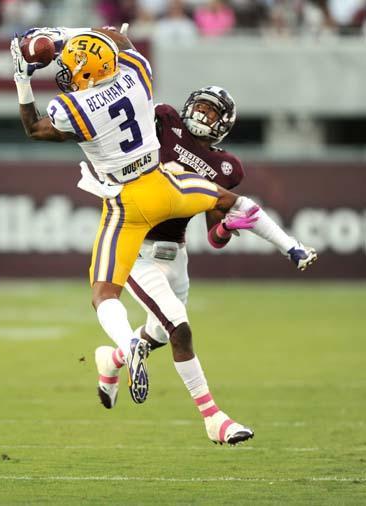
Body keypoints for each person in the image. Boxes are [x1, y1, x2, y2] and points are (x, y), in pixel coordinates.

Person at [10, 27, 317, 444]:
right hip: (160, 192)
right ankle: (214, 419)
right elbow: (118, 42)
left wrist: (26, 70)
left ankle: (118, 352)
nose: (69, 68)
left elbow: (36, 127)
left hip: (133, 209)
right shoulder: (138, 74)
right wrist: (85, 40)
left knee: (115, 300)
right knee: (179, 326)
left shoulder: (74, 105)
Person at [92, 86, 259, 445]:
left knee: (160, 334)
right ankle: (214, 418)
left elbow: (215, 236)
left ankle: (113, 359)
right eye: (199, 107)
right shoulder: (164, 125)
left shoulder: (225, 166)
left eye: (212, 112)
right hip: (137, 244)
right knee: (180, 329)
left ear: (224, 124)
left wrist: (228, 225)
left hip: (176, 253)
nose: (203, 115)